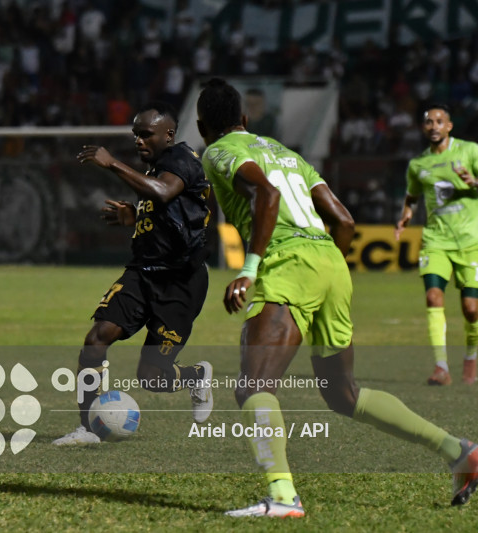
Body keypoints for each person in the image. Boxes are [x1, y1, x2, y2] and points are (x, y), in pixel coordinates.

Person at [196, 78, 478, 517]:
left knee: (254, 385)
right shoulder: (284, 152)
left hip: (286, 261)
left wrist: (249, 269)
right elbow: (343, 221)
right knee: (343, 394)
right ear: (246, 119)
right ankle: (459, 451)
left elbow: (265, 195)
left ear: (201, 126)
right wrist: (328, 269)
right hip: (330, 262)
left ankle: (283, 496)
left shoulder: (217, 151)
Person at [53, 102, 214, 446]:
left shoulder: (181, 158)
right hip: (142, 274)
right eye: (135, 135)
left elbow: (164, 192)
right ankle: (87, 428)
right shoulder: (156, 169)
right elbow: (162, 204)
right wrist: (134, 216)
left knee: (152, 377)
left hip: (180, 282)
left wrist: (111, 163)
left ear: (168, 135)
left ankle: (196, 376)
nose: (138, 141)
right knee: (96, 339)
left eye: (145, 134)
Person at [395, 103, 478, 386]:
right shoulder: (418, 165)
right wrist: (405, 215)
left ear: (449, 126)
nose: (434, 126)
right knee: (433, 297)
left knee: (471, 309)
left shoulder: (470, 151)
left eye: (439, 122)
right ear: (423, 127)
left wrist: (473, 182)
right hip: (435, 240)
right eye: (429, 122)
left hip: (471, 241)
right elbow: (412, 196)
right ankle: (441, 367)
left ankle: (471, 355)